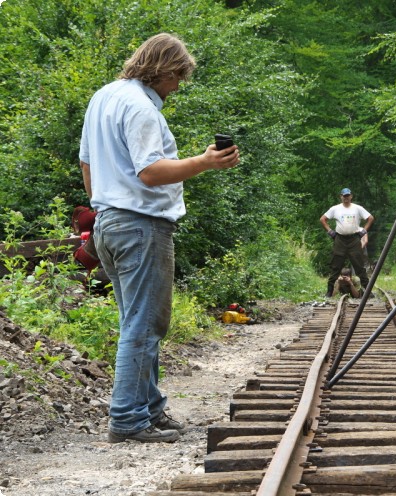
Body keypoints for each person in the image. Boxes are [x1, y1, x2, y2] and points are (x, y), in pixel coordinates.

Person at [79, 33, 240, 443]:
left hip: (109, 223)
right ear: (165, 69)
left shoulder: (104, 97)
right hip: (140, 225)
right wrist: (204, 162)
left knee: (137, 321)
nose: (178, 86)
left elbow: (86, 163)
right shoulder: (141, 108)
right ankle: (128, 419)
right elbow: (150, 171)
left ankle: (149, 408)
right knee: (145, 324)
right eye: (178, 77)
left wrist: (103, 205)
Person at [320, 188, 374, 297]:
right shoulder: (335, 209)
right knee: (336, 266)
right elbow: (322, 219)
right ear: (341, 197)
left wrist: (363, 231)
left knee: (359, 266)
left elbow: (370, 218)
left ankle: (368, 292)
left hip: (354, 239)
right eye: (344, 196)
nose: (346, 198)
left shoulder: (357, 208)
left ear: (351, 196)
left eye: (348, 196)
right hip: (340, 239)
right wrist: (331, 232)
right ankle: (329, 292)